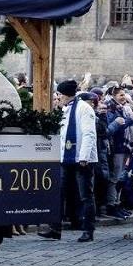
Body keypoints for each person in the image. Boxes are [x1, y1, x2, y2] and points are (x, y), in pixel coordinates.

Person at [37, 79, 98, 242]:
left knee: (85, 195)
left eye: (59, 94)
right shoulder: (65, 109)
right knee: (59, 193)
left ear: (65, 95)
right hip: (66, 158)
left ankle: (88, 230)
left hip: (81, 159)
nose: (58, 97)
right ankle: (55, 228)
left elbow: (88, 134)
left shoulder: (84, 108)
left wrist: (84, 157)